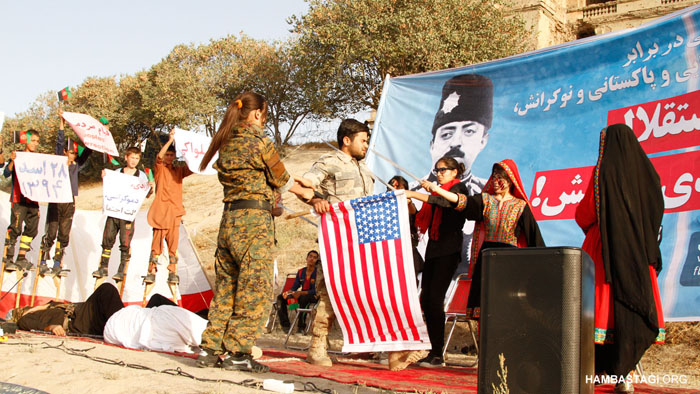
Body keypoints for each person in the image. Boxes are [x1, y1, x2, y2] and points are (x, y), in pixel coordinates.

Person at [194, 92, 313, 373]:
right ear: (258, 113)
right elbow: (281, 178)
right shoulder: (259, 140)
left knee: (226, 289)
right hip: (253, 225)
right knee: (254, 289)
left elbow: (260, 179)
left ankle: (210, 349)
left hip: (229, 221)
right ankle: (238, 352)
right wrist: (306, 192)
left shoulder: (226, 143)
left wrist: (274, 196)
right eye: (265, 114)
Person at [575, 124, 665, 393]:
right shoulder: (648, 173)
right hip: (637, 252)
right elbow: (656, 211)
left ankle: (599, 372)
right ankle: (625, 374)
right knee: (632, 306)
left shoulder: (602, 172)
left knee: (601, 309)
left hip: (604, 249)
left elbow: (586, 212)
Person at [297, 118, 373, 367]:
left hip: (363, 242)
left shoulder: (366, 170)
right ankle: (317, 346)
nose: (366, 145)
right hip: (337, 243)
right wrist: (315, 200)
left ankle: (367, 344)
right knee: (330, 294)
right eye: (363, 140)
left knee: (365, 293)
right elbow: (302, 186)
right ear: (347, 140)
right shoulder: (329, 163)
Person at [411, 73, 494, 277]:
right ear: (432, 145)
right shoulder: (411, 188)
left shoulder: (483, 194)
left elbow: (447, 202)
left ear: (483, 141)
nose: (456, 142)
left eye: (469, 131)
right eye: (447, 133)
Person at [404, 156, 470, 367]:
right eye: (437, 170)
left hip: (448, 250)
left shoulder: (459, 189)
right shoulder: (434, 192)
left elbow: (444, 202)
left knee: (434, 299)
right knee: (426, 301)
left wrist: (416, 193)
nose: (439, 173)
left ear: (454, 172)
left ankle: (437, 353)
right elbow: (423, 217)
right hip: (433, 249)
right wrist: (410, 204)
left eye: (443, 170)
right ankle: (432, 349)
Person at [38, 110, 92, 277]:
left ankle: (57, 261)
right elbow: (59, 142)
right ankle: (43, 261)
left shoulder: (76, 165)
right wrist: (61, 123)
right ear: (64, 153)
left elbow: (89, 149)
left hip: (69, 201)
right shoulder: (58, 162)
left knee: (64, 233)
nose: (73, 155)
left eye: (75, 153)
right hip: (56, 200)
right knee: (51, 231)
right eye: (70, 152)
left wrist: (96, 132)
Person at [92, 147, 154, 280]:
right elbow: (108, 187)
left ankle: (121, 270)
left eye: (137, 158)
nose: (134, 161)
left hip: (128, 215)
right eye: (132, 157)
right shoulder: (117, 172)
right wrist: (104, 177)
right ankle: (103, 267)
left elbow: (147, 195)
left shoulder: (141, 175)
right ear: (126, 157)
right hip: (114, 212)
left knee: (125, 242)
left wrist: (150, 188)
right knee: (108, 239)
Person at [143, 129, 194, 285]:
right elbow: (159, 157)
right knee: (156, 244)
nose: (169, 157)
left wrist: (189, 150)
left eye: (172, 155)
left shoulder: (178, 171)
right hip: (161, 211)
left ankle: (172, 271)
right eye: (168, 155)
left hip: (174, 212)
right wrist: (171, 141)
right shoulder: (160, 169)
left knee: (173, 244)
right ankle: (151, 270)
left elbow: (192, 166)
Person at [11, 283, 124, 336]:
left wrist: (42, 307)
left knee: (108, 295)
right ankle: (124, 326)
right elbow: (23, 322)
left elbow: (53, 304)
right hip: (77, 321)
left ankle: (127, 321)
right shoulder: (28, 318)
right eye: (20, 310)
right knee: (106, 289)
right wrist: (51, 327)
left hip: (81, 312)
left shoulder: (45, 309)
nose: (24, 309)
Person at [2, 130, 41, 271]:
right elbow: (6, 173)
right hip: (19, 198)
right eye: (33, 140)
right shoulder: (18, 155)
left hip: (33, 200)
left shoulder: (38, 159)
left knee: (32, 229)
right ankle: (8, 259)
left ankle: (21, 258)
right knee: (15, 228)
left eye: (37, 141)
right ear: (26, 140)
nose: (35, 143)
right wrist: (12, 161)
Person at [276, 250, 319, 332]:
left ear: (317, 261)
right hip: (302, 295)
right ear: (306, 258)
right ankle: (286, 326)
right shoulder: (301, 272)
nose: (312, 259)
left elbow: (317, 290)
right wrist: (288, 292)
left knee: (303, 298)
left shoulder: (318, 273)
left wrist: (300, 293)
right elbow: (294, 287)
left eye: (314, 257)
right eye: (310, 256)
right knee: (281, 298)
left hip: (313, 296)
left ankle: (301, 327)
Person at [388, 176, 423, 276]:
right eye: (393, 189)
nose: (396, 192)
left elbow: (414, 212)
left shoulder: (408, 204)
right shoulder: (384, 206)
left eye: (400, 190)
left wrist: (407, 201)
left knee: (410, 277)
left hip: (408, 248)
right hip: (390, 249)